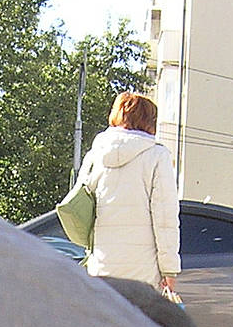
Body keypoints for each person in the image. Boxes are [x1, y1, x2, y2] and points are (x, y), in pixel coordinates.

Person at [74, 92, 181, 296]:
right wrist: (169, 269)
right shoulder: (157, 155)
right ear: (149, 121)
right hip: (143, 267)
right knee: (138, 324)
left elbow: (81, 202)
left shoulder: (96, 152)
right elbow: (165, 217)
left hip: (103, 263)